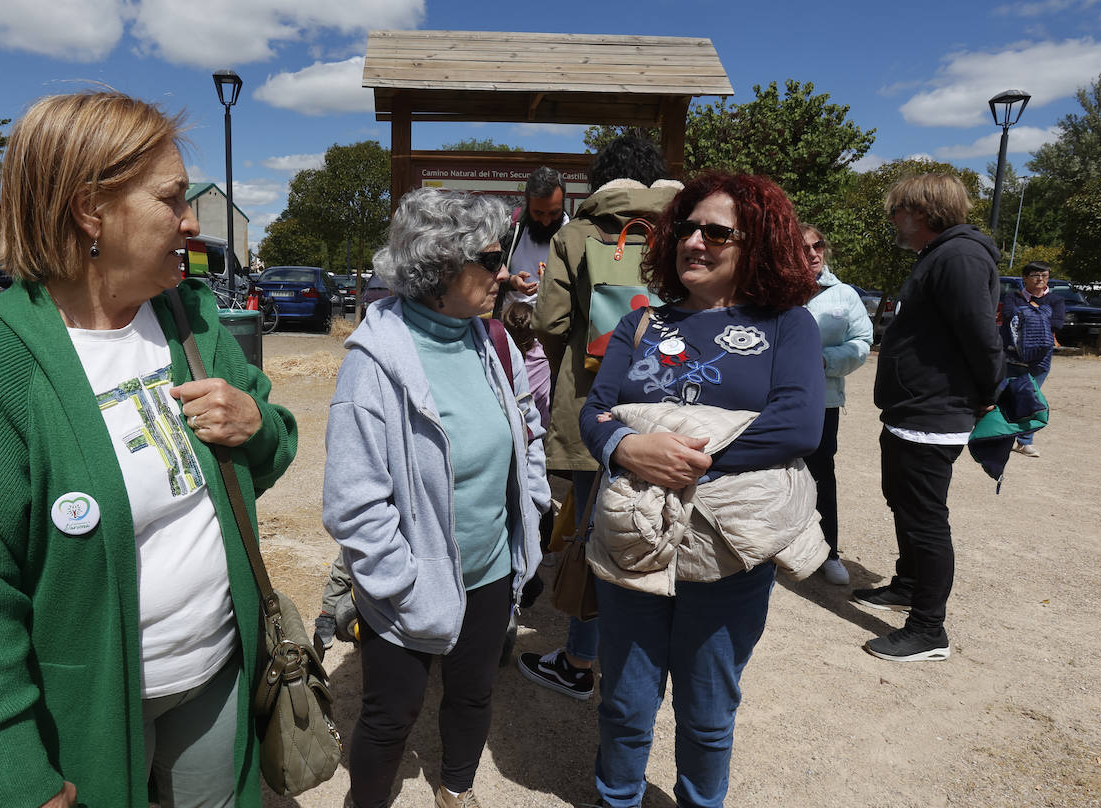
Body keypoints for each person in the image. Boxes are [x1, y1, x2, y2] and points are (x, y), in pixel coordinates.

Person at [0, 91, 297, 808]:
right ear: (90, 210)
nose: (190, 221)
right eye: (172, 199)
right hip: (87, 705)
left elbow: (267, 457)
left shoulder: (193, 321)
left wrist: (257, 427)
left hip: (216, 672)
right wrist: (15, 760)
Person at [577, 171, 823, 808]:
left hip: (726, 553)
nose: (695, 241)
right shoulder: (642, 324)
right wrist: (629, 448)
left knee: (708, 707)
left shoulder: (787, 326)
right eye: (686, 227)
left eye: (718, 232)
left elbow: (797, 425)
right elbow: (596, 410)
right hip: (634, 540)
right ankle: (617, 799)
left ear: (757, 244)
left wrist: (686, 461)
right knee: (625, 702)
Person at [323, 187, 547, 808]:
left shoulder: (489, 339)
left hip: (491, 572)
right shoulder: (375, 362)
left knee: (474, 695)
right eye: (491, 257)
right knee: (389, 717)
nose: (504, 272)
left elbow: (524, 427)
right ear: (442, 265)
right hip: (411, 585)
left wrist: (533, 508)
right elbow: (352, 500)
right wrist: (398, 583)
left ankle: (457, 788)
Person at [520, 132, 681, 699]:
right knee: (672, 522)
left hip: (599, 405)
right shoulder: (690, 229)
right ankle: (651, 655)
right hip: (676, 402)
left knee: (595, 530)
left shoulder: (577, 234)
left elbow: (551, 323)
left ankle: (581, 658)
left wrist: (585, 367)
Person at [854, 173, 1002, 663]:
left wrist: (988, 393)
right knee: (902, 502)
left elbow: (980, 335)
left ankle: (927, 630)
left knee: (925, 518)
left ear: (920, 211)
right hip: (913, 409)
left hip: (933, 412)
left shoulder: (959, 256)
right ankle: (908, 584)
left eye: (897, 210)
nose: (892, 218)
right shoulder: (941, 255)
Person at [801, 224, 872, 585]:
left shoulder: (843, 295)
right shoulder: (772, 291)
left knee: (820, 475)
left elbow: (862, 342)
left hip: (823, 400)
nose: (814, 253)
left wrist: (825, 360)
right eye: (804, 248)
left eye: (818, 246)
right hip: (771, 398)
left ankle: (829, 551)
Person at [1000, 261, 1064, 457]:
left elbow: (1058, 323)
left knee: (1030, 399)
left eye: (1045, 276)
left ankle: (1025, 442)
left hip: (1039, 361)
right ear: (1025, 278)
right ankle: (1001, 437)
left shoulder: (1056, 300)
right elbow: (1008, 315)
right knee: (1004, 397)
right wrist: (1039, 314)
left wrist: (1026, 315)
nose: (1041, 279)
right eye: (1036, 275)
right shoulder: (1012, 297)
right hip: (1011, 358)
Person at [500, 165, 567, 306]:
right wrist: (511, 281)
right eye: (538, 213)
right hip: (509, 323)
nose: (546, 221)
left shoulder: (574, 234)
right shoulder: (510, 227)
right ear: (527, 204)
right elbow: (490, 274)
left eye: (554, 213)